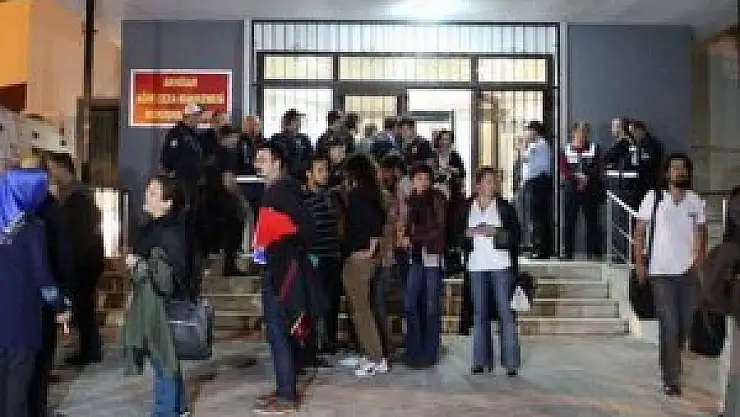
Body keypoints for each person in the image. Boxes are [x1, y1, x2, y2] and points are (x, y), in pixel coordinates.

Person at [252, 141, 319, 414]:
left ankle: (287, 396)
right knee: (277, 331)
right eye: (256, 159)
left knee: (278, 331)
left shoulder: (282, 190)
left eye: (263, 160)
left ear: (277, 162)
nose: (257, 164)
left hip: (283, 270)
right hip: (276, 266)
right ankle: (284, 387)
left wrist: (284, 247)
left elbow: (307, 228)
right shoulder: (275, 190)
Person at [634, 153, 707, 397]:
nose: (679, 171)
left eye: (683, 168)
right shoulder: (653, 198)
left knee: (685, 326)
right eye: (675, 168)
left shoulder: (695, 201)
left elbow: (701, 233)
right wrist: (639, 263)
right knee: (670, 325)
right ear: (667, 173)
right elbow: (639, 232)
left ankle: (671, 363)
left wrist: (699, 262)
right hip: (660, 273)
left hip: (687, 274)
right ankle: (671, 379)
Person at [0, 168, 70, 417]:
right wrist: (61, 306)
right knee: (18, 386)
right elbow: (43, 277)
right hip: (21, 318)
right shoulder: (31, 230)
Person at [121, 175, 191, 417]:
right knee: (163, 356)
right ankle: (178, 407)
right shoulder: (153, 227)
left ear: (167, 202)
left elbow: (168, 274)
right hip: (149, 300)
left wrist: (139, 265)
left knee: (162, 357)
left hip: (160, 304)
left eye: (153, 193)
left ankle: (165, 411)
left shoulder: (169, 232)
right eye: (147, 191)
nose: (146, 195)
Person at [44, 152, 104, 366]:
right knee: (84, 307)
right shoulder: (76, 195)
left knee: (83, 306)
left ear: (63, 169)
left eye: (51, 169)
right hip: (85, 260)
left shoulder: (77, 198)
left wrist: (70, 266)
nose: (50, 174)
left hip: (81, 262)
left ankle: (90, 351)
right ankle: (89, 349)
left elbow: (75, 237)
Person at [463, 167, 521, 376]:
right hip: (476, 266)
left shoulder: (504, 207)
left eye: (494, 181)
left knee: (505, 312)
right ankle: (480, 360)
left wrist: (496, 231)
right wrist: (466, 234)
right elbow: (457, 234)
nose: (492, 185)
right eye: (488, 181)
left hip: (500, 265)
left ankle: (511, 362)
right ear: (478, 185)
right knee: (480, 313)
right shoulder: (467, 207)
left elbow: (516, 235)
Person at [339, 154, 389, 377]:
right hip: (361, 257)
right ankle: (369, 353)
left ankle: (375, 358)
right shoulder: (373, 193)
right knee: (360, 309)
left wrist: (368, 252)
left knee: (361, 311)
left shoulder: (360, 195)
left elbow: (373, 225)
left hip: (359, 259)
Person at [400, 163, 447, 368]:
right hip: (416, 257)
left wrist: (413, 237)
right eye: (419, 178)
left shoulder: (437, 198)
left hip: (432, 256)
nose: (423, 182)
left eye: (426, 178)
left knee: (431, 306)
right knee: (410, 303)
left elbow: (439, 228)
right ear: (412, 181)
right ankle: (414, 349)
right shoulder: (411, 200)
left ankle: (429, 352)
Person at [304, 155, 344, 355]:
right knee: (317, 303)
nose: (325, 174)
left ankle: (329, 341)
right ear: (309, 174)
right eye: (320, 170)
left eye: (326, 170)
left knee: (333, 302)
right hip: (315, 259)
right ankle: (316, 344)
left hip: (333, 257)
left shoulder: (332, 198)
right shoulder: (303, 199)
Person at [561, 122, 603, 260]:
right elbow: (563, 168)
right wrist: (576, 177)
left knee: (592, 222)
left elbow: (597, 166)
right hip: (571, 190)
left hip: (589, 189)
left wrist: (586, 178)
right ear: (573, 132)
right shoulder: (565, 149)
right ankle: (568, 252)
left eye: (585, 131)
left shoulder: (594, 148)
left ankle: (594, 253)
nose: (582, 134)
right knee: (569, 222)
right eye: (579, 131)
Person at [521, 121, 553, 259]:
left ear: (535, 131)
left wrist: (523, 144)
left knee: (537, 217)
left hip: (538, 183)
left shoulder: (538, 145)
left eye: (528, 130)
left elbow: (524, 158)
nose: (526, 133)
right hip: (537, 182)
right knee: (539, 217)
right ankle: (540, 248)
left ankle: (540, 249)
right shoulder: (538, 144)